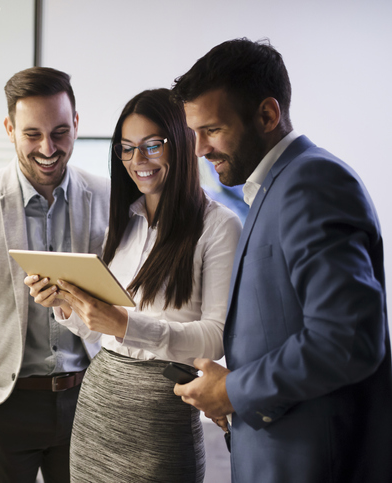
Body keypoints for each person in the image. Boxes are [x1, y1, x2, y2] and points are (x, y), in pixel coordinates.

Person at [171, 38, 392, 483]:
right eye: (194, 132)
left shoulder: (311, 181)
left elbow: (348, 337)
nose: (198, 149)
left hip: (312, 463)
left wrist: (232, 390)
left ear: (268, 115)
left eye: (211, 130)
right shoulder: (273, 187)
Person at [25, 88, 241, 482]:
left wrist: (124, 324)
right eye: (126, 149)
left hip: (160, 412)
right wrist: (67, 305)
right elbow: (100, 329)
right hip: (99, 404)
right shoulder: (125, 221)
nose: (137, 161)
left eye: (151, 146)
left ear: (181, 143)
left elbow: (216, 337)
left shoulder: (219, 226)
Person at [0, 67, 110, 483]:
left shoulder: (107, 198)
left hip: (89, 400)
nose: (48, 148)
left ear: (77, 124)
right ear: (9, 129)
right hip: (4, 409)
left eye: (60, 132)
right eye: (32, 134)